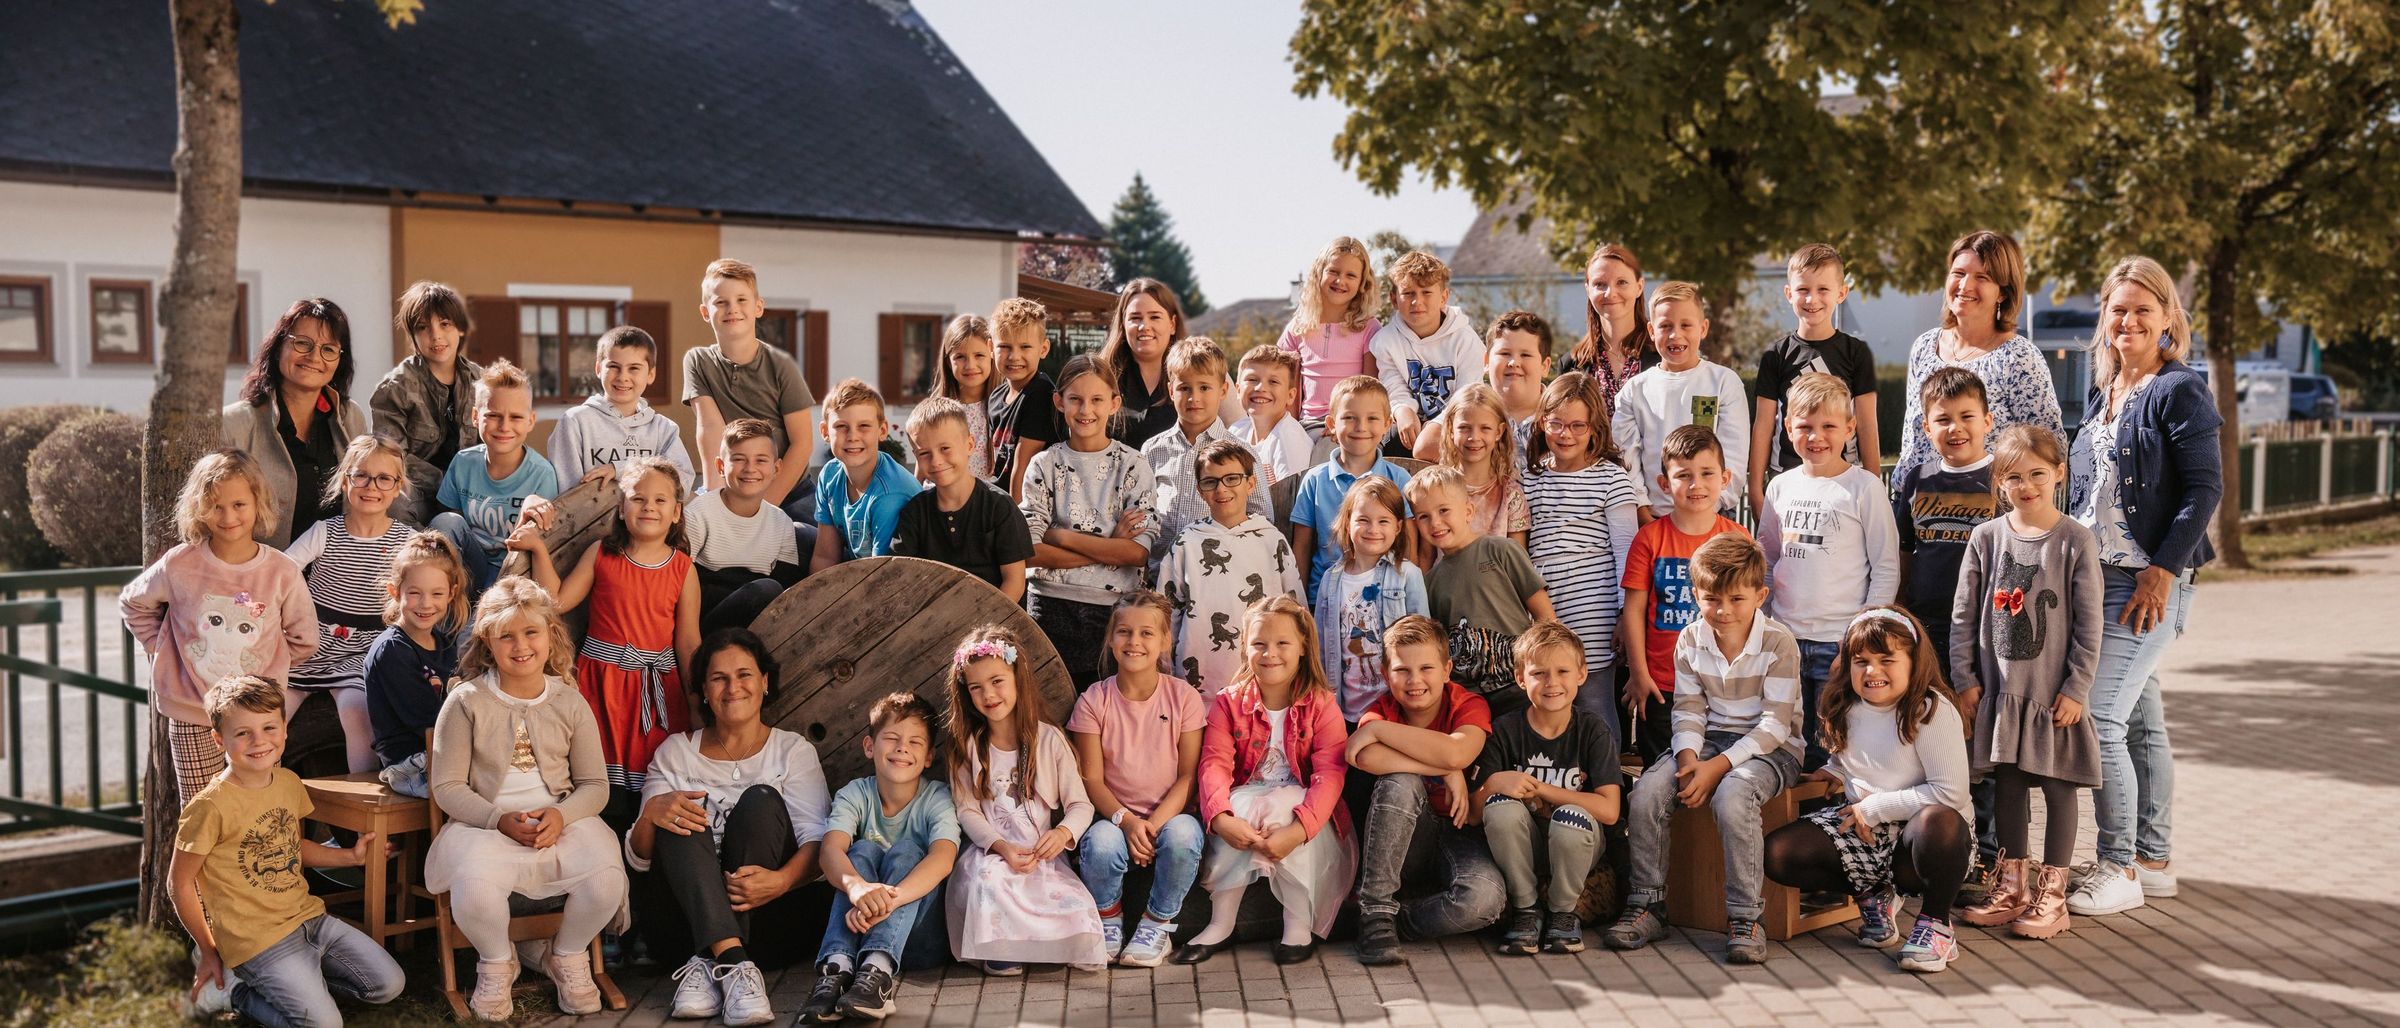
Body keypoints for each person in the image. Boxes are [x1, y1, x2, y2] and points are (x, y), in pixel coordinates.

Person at [2063, 256, 2221, 917]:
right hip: (2097, 580)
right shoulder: (2107, 394)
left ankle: (2118, 864)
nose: (2127, 320)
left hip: (2145, 583)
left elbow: (2203, 486)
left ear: (2166, 321)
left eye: (2141, 310)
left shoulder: (2178, 389)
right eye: (2117, 309)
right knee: (2139, 723)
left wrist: (2162, 569)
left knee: (2098, 719)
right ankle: (2154, 859)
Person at [424, 578, 628, 1020]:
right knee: (474, 890)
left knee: (607, 878)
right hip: (486, 825)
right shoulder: (466, 701)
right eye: (507, 636)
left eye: (531, 632)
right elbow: (447, 787)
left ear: (550, 635)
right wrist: (497, 819)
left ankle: (568, 955)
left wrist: (560, 813)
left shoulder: (569, 702)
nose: (521, 646)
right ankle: (497, 963)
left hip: (561, 821)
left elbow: (595, 784)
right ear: (487, 643)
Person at [1607, 534, 1800, 964]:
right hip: (1710, 741)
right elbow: (1689, 709)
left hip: (1773, 748)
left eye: (1736, 599)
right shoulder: (1691, 639)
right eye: (1712, 599)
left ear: (1760, 595)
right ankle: (1647, 903)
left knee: (1733, 795)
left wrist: (1716, 768)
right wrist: (1690, 758)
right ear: (1696, 595)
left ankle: (1746, 917)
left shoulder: (1778, 642)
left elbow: (1774, 726)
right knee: (1648, 792)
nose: (1723, 610)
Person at [170, 675, 403, 1026]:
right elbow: (180, 884)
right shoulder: (209, 807)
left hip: (310, 920)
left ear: (284, 729)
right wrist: (208, 951)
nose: (259, 741)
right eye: (243, 732)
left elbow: (293, 848)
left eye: (268, 728)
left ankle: (301, 985)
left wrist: (351, 857)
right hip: (257, 941)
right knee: (324, 1026)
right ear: (220, 740)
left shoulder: (287, 783)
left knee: (387, 986)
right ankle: (234, 992)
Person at [628, 629, 830, 1025]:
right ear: (703, 689)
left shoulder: (792, 751)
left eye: (744, 675)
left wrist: (783, 881)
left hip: (769, 923)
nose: (732, 687)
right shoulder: (676, 753)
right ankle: (733, 963)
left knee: (760, 800)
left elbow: (819, 843)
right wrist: (652, 813)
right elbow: (639, 859)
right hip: (682, 926)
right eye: (719, 678)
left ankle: (711, 962)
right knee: (676, 812)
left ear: (765, 682)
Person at [1763, 608, 1974, 974]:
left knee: (1939, 821)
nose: (1872, 671)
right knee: (1778, 854)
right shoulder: (1845, 705)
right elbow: (1856, 762)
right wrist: (1834, 773)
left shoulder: (1930, 709)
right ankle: (1874, 894)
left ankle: (1936, 924)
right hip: (1866, 828)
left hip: (1922, 837)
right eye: (1861, 661)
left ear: (1913, 661)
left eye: (1886, 660)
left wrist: (1875, 807)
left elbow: (1949, 794)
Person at [1952, 425, 2102, 940]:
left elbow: (2089, 625)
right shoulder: (1986, 538)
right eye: (2013, 477)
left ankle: (2052, 896)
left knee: (2059, 788)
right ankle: (2012, 887)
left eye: (2037, 474)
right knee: (2009, 783)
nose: (2026, 485)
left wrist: (2077, 687)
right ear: (1998, 482)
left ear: (2059, 474)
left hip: (2051, 695)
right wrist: (1965, 678)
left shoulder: (2076, 541)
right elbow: (1964, 615)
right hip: (1999, 692)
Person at [122, 450, 318, 805]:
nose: (228, 516)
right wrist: (160, 648)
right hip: (191, 711)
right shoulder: (180, 563)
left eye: (239, 504)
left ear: (258, 503)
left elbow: (305, 639)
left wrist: (268, 664)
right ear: (198, 507)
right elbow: (133, 603)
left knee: (253, 808)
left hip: (256, 717)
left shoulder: (281, 571)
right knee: (202, 810)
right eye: (215, 506)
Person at [516, 457, 702, 821]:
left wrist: (695, 703)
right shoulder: (602, 554)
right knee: (602, 788)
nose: (649, 507)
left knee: (652, 787)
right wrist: (538, 548)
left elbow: (689, 643)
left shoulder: (683, 569)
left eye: (660, 500)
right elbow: (557, 602)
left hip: (658, 691)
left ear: (677, 512)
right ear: (621, 508)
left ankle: (641, 867)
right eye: (638, 498)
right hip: (602, 687)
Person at [1172, 597, 1355, 966]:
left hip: (1305, 810)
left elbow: (1330, 774)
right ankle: (1221, 923)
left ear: (1303, 646)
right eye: (1259, 644)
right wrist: (1220, 816)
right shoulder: (1229, 703)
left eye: (1283, 643)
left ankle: (1297, 925)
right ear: (1245, 647)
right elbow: (1214, 764)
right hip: (1248, 799)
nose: (1270, 654)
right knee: (1240, 805)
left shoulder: (1321, 704)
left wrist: (1299, 829)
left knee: (1282, 809)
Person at [941, 626, 1108, 974]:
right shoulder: (968, 748)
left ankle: (1049, 946)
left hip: (1040, 856)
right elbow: (968, 811)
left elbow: (1080, 804)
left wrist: (1062, 834)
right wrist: (999, 846)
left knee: (1068, 901)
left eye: (997, 681)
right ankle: (1002, 948)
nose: (988, 694)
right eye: (976, 687)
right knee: (991, 883)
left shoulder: (1049, 740)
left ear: (1018, 677)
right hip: (995, 854)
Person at [1890, 367, 2002, 879]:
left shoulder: (2002, 478)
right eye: (1942, 419)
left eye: (1966, 418)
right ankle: (1932, 849)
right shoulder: (1916, 480)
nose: (1955, 428)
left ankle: (1993, 854)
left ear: (1987, 420)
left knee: (1983, 742)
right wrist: (1898, 612)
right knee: (1932, 736)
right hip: (1927, 625)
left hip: (1986, 631)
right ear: (1925, 426)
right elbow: (1904, 553)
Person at [1759, 372, 1901, 769]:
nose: (1816, 436)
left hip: (1837, 645)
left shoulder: (1864, 488)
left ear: (1849, 429)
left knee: (1834, 745)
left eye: (1828, 427)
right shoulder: (1780, 487)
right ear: (1787, 429)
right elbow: (1767, 559)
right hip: (1785, 640)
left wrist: (1858, 637)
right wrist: (1767, 624)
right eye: (1804, 426)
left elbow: (1886, 568)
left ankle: (1830, 826)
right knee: (1788, 742)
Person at [1346, 615, 1503, 965]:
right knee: (1401, 781)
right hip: (1404, 835)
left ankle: (1396, 920)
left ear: (1447, 670)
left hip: (1460, 833)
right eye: (1402, 670)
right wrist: (1443, 769)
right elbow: (1362, 755)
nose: (1414, 680)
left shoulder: (1467, 704)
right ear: (1386, 674)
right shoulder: (1381, 709)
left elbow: (1458, 751)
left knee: (1484, 900)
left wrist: (1449, 760)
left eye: (1426, 668)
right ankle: (1375, 911)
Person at [796, 693, 961, 1024]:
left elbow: (943, 859)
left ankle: (879, 973)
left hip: (920, 941)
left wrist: (888, 899)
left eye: (915, 742)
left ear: (929, 757)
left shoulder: (938, 798)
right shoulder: (856, 794)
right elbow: (829, 850)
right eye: (892, 739)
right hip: (859, 932)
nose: (902, 748)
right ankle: (837, 970)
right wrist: (858, 889)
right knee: (860, 851)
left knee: (908, 851)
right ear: (869, 746)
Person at [1067, 593, 1208, 968]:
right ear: (1110, 639)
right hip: (1115, 817)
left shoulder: (1184, 697)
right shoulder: (1094, 700)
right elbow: (1092, 780)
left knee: (1183, 836)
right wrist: (1127, 822)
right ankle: (1107, 920)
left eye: (1147, 633)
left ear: (1165, 641)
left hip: (1170, 816)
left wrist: (1152, 826)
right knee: (1098, 844)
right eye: (1125, 632)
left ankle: (1157, 925)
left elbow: (1188, 776)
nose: (1135, 642)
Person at [1472, 621, 1623, 957]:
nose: (1551, 683)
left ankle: (1563, 913)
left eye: (1562, 671)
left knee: (1571, 817)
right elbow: (1472, 813)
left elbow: (1610, 810)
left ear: (1581, 674)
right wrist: (1493, 783)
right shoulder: (1505, 730)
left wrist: (1542, 789)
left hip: (1579, 845)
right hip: (1527, 847)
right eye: (1539, 673)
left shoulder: (1592, 730)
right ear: (1520, 678)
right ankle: (1527, 910)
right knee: (1499, 806)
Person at [1020, 354, 1159, 689]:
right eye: (1076, 400)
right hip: (1048, 605)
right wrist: (1111, 543)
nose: (1086, 411)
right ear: (1059, 402)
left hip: (1112, 611)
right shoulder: (1044, 465)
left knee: (1104, 713)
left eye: (1097, 400)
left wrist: (1062, 537)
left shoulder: (1133, 466)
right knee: (1050, 706)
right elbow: (1030, 552)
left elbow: (1137, 553)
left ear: (1114, 403)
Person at [284, 434, 417, 772]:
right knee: (266, 713)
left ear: (398, 486)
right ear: (345, 481)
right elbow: (281, 570)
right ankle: (249, 801)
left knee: (357, 714)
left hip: (364, 650)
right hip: (311, 643)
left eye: (384, 478)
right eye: (361, 475)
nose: (371, 486)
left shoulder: (408, 540)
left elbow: (427, 586)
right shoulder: (324, 531)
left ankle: (365, 814)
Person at [1618, 427, 1749, 764]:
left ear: (1725, 478)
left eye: (1707, 473)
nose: (1696, 485)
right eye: (1683, 475)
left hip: (1722, 684)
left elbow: (1749, 612)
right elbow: (1633, 611)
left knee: (1714, 774)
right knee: (1661, 773)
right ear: (1664, 484)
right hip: (1663, 684)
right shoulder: (1650, 539)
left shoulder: (1737, 538)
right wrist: (1638, 673)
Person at [1894, 230, 2064, 485]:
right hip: (1920, 508)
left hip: (1991, 512)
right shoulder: (1924, 348)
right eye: (1958, 273)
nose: (1965, 286)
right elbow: (1913, 439)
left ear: (2003, 293)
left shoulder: (2019, 357)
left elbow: (2050, 450)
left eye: (1981, 277)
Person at [1521, 372, 1641, 729]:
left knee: (1593, 707)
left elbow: (1626, 553)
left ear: (1594, 429)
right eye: (1555, 424)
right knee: (1547, 704)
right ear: (1542, 422)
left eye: (1577, 425)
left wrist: (1624, 614)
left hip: (1595, 613)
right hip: (1543, 609)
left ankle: (1606, 783)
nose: (1565, 434)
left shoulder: (1611, 479)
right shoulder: (1531, 477)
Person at [1158, 440, 1306, 695]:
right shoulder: (1186, 543)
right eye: (1211, 481)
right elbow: (1167, 613)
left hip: (1264, 676)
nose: (1221, 488)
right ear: (1200, 490)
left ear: (1250, 484)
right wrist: (1162, 667)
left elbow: (1296, 606)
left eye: (1232, 479)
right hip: (1200, 681)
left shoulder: (1271, 539)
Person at [224, 296, 372, 547]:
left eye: (328, 349)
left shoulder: (351, 418)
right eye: (303, 343)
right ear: (278, 346)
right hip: (263, 576)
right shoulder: (235, 424)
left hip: (337, 577)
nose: (315, 357)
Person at [1409, 466, 1555, 714]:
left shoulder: (1501, 550)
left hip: (1518, 685)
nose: (1435, 522)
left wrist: (1547, 670)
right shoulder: (1429, 582)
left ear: (1468, 511)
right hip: (1468, 697)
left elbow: (1546, 618)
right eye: (1423, 516)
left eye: (1444, 510)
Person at [1749, 244, 1882, 514]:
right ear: (1789, 293)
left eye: (1823, 289)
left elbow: (1867, 424)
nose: (1812, 299)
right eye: (1803, 290)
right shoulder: (1776, 355)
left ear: (1841, 293)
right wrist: (1755, 489)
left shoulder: (1856, 353)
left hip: (1843, 480)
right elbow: (1763, 424)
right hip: (1786, 476)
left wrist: (1874, 484)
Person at [685, 258, 818, 523]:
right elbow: (710, 429)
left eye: (741, 300)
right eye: (720, 302)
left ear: (758, 307)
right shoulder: (698, 361)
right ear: (704, 312)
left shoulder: (782, 365)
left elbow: (802, 443)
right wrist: (716, 503)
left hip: (788, 490)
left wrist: (763, 509)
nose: (731, 309)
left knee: (809, 543)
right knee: (694, 535)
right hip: (733, 484)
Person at [1612, 282, 1750, 520]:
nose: (1676, 335)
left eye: (1686, 325)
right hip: (1652, 520)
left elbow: (1734, 458)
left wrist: (1707, 511)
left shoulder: (1725, 383)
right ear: (1652, 331)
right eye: (1665, 326)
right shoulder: (1634, 391)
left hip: (1712, 518)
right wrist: (1643, 513)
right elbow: (1627, 460)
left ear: (1703, 328)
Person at [1140, 337, 1272, 572]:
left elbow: (1262, 519)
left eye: (1204, 387)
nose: (1194, 398)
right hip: (1159, 575)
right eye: (1184, 388)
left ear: (1223, 390)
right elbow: (1141, 512)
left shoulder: (1242, 454)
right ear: (1171, 390)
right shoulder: (1153, 450)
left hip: (1221, 575)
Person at [429, 359, 560, 595]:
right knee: (445, 521)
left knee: (468, 633)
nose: (504, 426)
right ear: (476, 417)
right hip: (470, 567)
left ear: (530, 421)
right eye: (494, 415)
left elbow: (545, 542)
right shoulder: (463, 462)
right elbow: (447, 525)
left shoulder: (542, 475)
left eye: (516, 418)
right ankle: (446, 599)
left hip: (514, 575)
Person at [890, 397, 1033, 603]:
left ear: (969, 445)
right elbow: (902, 575)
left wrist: (986, 626)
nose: (937, 461)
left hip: (995, 619)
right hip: (933, 618)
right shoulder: (914, 512)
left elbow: (1014, 581)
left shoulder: (999, 506)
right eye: (924, 453)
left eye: (945, 448)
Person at [1313, 476, 1428, 722]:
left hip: (1395, 705)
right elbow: (1320, 645)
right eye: (1363, 520)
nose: (1373, 529)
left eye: (1383, 521)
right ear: (1347, 524)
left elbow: (1424, 643)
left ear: (1397, 527)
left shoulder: (1407, 574)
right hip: (1343, 706)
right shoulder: (1330, 580)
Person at [365, 531, 469, 799]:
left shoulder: (443, 642)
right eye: (414, 593)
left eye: (437, 593)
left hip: (441, 749)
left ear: (451, 594)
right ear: (395, 591)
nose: (426, 604)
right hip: (412, 763)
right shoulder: (393, 650)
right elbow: (429, 722)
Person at [1291, 375, 1416, 598]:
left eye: (1372, 419)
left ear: (1388, 424)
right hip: (1325, 599)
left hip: (1385, 598)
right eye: (1349, 417)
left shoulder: (1398, 478)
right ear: (1331, 424)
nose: (1361, 427)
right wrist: (1299, 601)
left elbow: (1409, 546)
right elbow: (1301, 548)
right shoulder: (1315, 480)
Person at [373, 280, 483, 526]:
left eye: (445, 324)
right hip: (420, 492)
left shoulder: (482, 382)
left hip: (473, 491)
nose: (436, 336)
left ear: (461, 328)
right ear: (412, 335)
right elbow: (393, 457)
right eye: (423, 327)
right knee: (394, 505)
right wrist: (449, 482)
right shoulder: (395, 388)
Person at [691, 418, 806, 633]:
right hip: (707, 619)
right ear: (720, 466)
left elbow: (786, 590)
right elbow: (678, 584)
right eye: (739, 459)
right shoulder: (699, 514)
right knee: (766, 589)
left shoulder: (780, 522)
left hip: (759, 616)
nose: (750, 469)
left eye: (761, 460)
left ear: (776, 468)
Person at [547, 325, 695, 490]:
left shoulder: (664, 429)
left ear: (651, 375)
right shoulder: (575, 422)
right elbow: (566, 490)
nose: (623, 377)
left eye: (634, 368)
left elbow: (683, 480)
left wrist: (620, 469)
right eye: (613, 367)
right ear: (598, 369)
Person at [1370, 251, 1485, 454]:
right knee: (1389, 438)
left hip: (1457, 422)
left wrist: (1439, 424)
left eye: (1426, 292)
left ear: (1443, 297)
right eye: (1408, 293)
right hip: (1411, 425)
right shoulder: (1386, 341)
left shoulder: (1466, 340)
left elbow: (1467, 394)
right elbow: (1392, 383)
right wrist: (1402, 409)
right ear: (1394, 299)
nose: (1417, 301)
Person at [1411, 309, 1549, 474]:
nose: (1514, 362)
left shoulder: (1560, 411)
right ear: (1486, 362)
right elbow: (1424, 447)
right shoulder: (1472, 403)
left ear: (1545, 366)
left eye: (1525, 355)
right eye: (1504, 353)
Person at [810, 380, 920, 573]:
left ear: (882, 431)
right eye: (841, 426)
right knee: (798, 536)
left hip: (900, 578)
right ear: (825, 432)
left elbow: (883, 574)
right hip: (862, 569)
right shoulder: (829, 474)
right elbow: (825, 556)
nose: (852, 436)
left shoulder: (889, 494)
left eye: (864, 426)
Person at [1277, 236, 1382, 420]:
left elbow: (1370, 390)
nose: (1340, 281)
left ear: (1362, 284)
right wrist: (1291, 431)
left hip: (1349, 423)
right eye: (1334, 271)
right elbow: (1288, 392)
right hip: (1307, 425)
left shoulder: (1369, 329)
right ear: (1319, 273)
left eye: (1351, 275)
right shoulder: (1298, 329)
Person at [1553, 243, 1657, 421]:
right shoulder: (1571, 364)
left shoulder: (1662, 356)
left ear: (1639, 287)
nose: (1610, 293)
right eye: (1600, 284)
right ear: (1588, 288)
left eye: (1622, 282)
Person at [1429, 384, 1530, 548]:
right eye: (1464, 428)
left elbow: (1518, 561)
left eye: (1485, 428)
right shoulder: (1436, 489)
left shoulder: (1511, 494)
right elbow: (1426, 557)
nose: (1474, 437)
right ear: (1450, 429)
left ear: (1499, 432)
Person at [1099, 277, 1193, 447]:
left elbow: (1236, 431)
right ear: (1123, 324)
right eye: (1135, 318)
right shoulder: (1099, 376)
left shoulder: (1197, 372)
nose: (1144, 326)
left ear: (1172, 324)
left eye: (1155, 317)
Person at [986, 297, 1063, 498]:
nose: (1014, 356)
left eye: (1025, 347)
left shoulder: (1040, 394)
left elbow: (1023, 469)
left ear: (1043, 349)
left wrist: (1016, 523)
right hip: (1001, 500)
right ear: (990, 349)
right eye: (1005, 347)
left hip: (1030, 505)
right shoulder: (996, 397)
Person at [1230, 347, 1315, 488]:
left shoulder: (1288, 439)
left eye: (1273, 382)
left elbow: (1290, 501)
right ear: (1238, 390)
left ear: (1290, 396)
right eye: (1252, 379)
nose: (1261, 388)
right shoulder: (1237, 431)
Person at [927, 314, 998, 482]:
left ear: (992, 355)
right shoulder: (937, 409)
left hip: (986, 503)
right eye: (960, 357)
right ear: (948, 361)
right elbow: (923, 465)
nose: (970, 365)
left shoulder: (1003, 408)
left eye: (979, 355)